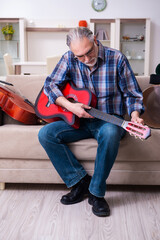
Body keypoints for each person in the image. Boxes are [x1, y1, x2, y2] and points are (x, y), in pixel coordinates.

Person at [38, 27, 144, 217]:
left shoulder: (117, 58)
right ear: (72, 51)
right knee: (46, 134)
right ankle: (80, 182)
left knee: (110, 133)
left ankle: (96, 194)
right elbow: (50, 85)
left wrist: (135, 115)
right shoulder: (69, 58)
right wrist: (70, 107)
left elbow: (132, 94)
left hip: (110, 120)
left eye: (89, 52)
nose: (86, 59)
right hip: (79, 119)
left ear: (95, 40)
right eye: (80, 56)